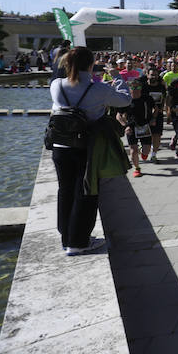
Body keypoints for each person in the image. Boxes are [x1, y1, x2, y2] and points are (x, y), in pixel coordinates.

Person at [49, 47, 131, 255]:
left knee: (65, 190)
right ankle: (78, 242)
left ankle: (66, 236)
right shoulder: (99, 89)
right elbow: (125, 100)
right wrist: (117, 77)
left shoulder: (56, 85)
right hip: (86, 146)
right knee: (86, 191)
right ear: (91, 64)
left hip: (61, 146)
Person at [117, 80, 156, 177]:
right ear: (129, 89)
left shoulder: (147, 98)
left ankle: (143, 152)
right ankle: (137, 169)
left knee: (146, 152)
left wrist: (153, 118)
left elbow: (156, 109)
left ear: (141, 88)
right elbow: (118, 116)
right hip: (131, 128)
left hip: (145, 126)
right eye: (133, 87)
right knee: (133, 150)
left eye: (138, 87)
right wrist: (125, 126)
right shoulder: (126, 100)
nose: (135, 90)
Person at [143, 66, 167, 162]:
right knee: (146, 135)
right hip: (145, 114)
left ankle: (154, 155)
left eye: (156, 75)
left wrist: (163, 109)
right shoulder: (144, 87)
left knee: (157, 135)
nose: (154, 77)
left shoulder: (161, 87)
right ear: (147, 75)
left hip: (158, 114)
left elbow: (164, 98)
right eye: (152, 75)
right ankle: (144, 148)